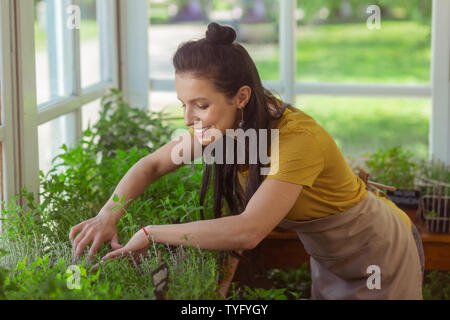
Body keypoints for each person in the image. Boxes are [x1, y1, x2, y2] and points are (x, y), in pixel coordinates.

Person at [69, 22, 424, 300]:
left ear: (241, 96)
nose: (188, 119)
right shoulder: (221, 128)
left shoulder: (296, 140)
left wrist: (150, 234)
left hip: (378, 251)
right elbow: (152, 165)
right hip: (330, 257)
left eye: (200, 105)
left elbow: (248, 230)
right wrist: (107, 214)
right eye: (184, 104)